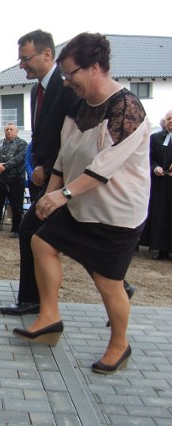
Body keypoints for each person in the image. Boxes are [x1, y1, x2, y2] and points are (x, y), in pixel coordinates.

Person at [13, 33, 150, 375]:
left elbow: (103, 167)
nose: (66, 80)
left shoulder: (127, 109)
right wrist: (51, 196)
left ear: (94, 68)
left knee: (108, 283)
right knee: (41, 242)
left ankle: (119, 344)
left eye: (71, 73)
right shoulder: (78, 107)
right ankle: (49, 318)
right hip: (78, 204)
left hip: (115, 213)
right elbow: (64, 156)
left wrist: (63, 195)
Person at [0, 29, 79, 315]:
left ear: (47, 54)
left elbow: (72, 138)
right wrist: (35, 164)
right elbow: (42, 135)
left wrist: (50, 167)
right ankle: (33, 299)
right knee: (52, 234)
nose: (21, 65)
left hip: (62, 178)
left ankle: (33, 300)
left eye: (25, 58)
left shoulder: (67, 86)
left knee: (38, 231)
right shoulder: (36, 91)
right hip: (41, 176)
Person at [0, 122, 27, 238]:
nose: (8, 131)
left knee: (16, 206)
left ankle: (16, 230)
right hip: (0, 180)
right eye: (7, 129)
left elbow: (20, 158)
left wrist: (5, 166)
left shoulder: (22, 144)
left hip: (16, 180)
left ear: (16, 131)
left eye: (11, 129)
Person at [139, 109, 172, 260]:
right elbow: (148, 158)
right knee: (160, 215)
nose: (170, 121)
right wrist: (155, 168)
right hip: (160, 185)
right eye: (168, 119)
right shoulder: (155, 138)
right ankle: (161, 249)